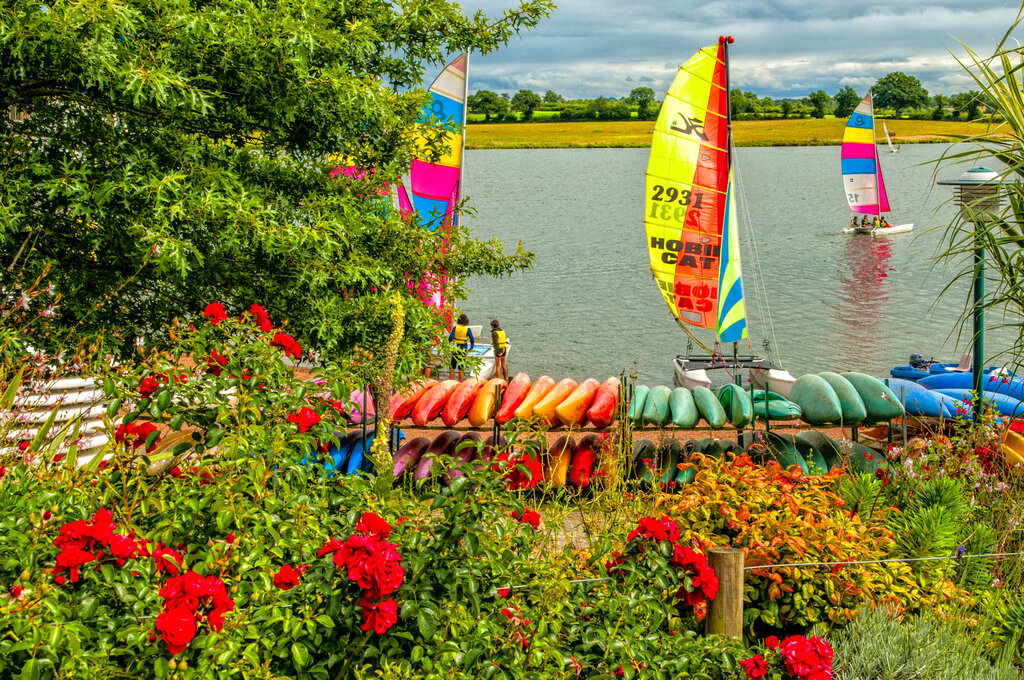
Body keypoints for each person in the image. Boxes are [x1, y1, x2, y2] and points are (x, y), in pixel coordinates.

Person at [448, 313, 474, 381]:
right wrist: (471, 347)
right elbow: (472, 339)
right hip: (463, 350)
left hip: (455, 349)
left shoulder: (455, 328)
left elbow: (450, 338)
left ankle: (450, 380)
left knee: (452, 365)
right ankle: (460, 382)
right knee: (461, 367)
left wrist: (451, 346)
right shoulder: (468, 329)